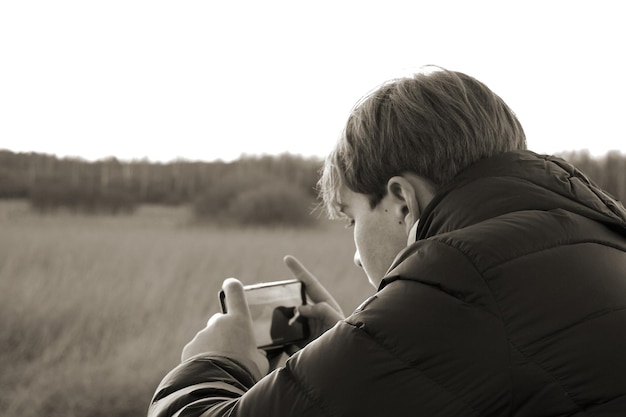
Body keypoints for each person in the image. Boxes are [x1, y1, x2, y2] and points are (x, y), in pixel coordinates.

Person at [147, 68, 626, 416]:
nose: (355, 255)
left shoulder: (458, 281)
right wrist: (364, 345)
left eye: (352, 217)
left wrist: (215, 364)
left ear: (400, 201)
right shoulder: (600, 237)